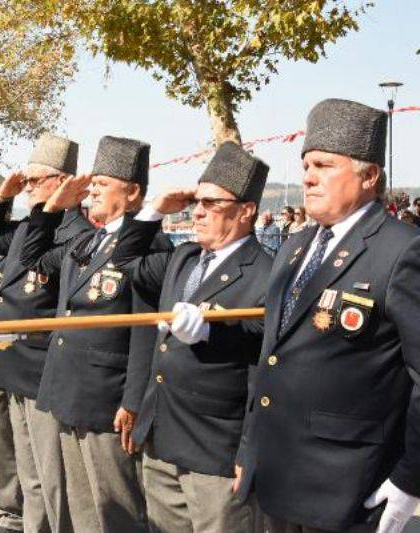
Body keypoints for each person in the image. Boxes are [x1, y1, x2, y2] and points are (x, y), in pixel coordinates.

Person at [237, 98, 420, 532]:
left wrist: (410, 479)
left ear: (369, 175)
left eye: (323, 165)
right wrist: (250, 450)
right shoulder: (296, 245)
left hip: (348, 488)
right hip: (278, 474)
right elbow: (272, 355)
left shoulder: (402, 250)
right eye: (305, 165)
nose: (308, 176)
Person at [20, 136, 170, 532]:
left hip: (108, 396)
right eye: (93, 183)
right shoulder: (89, 238)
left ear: (134, 191)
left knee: (114, 505)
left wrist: (134, 398)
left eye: (104, 183)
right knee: (82, 501)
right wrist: (52, 206)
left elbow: (146, 329)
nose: (93, 190)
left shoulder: (149, 246)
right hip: (68, 385)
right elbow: (33, 258)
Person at [131, 141, 272, 532]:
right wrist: (156, 209)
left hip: (216, 450)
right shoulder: (186, 256)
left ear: (246, 211)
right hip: (163, 437)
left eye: (212, 204)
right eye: (198, 201)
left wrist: (212, 331)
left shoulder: (265, 273)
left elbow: (265, 357)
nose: (198, 211)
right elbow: (126, 259)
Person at [0, 133, 94, 533]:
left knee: (51, 472)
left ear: (61, 182)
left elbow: (46, 275)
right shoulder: (33, 223)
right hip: (13, 358)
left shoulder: (78, 231)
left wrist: (50, 209)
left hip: (41, 362)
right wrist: (0, 198)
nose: (27, 189)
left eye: (33, 181)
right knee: (29, 467)